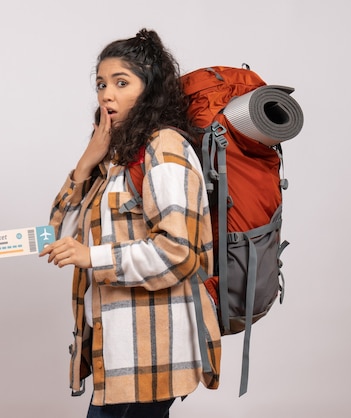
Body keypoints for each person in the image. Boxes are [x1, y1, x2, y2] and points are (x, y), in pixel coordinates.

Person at [39, 29, 221, 417]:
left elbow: (178, 253)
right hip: (122, 353)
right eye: (102, 83)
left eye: (122, 82)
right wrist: (86, 163)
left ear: (149, 90)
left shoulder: (165, 147)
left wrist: (93, 257)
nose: (107, 94)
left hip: (151, 350)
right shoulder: (115, 160)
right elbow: (56, 236)